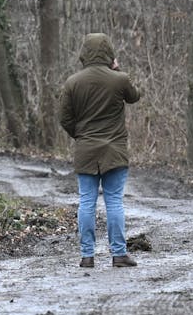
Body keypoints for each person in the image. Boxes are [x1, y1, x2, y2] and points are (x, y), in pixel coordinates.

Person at [58, 33, 143, 269]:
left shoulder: (73, 82)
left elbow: (64, 118)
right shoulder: (119, 79)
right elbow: (134, 97)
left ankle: (87, 256)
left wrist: (81, 136)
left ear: (84, 53)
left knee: (87, 202)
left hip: (86, 150)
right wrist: (117, 69)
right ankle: (118, 254)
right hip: (114, 150)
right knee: (114, 201)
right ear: (109, 52)